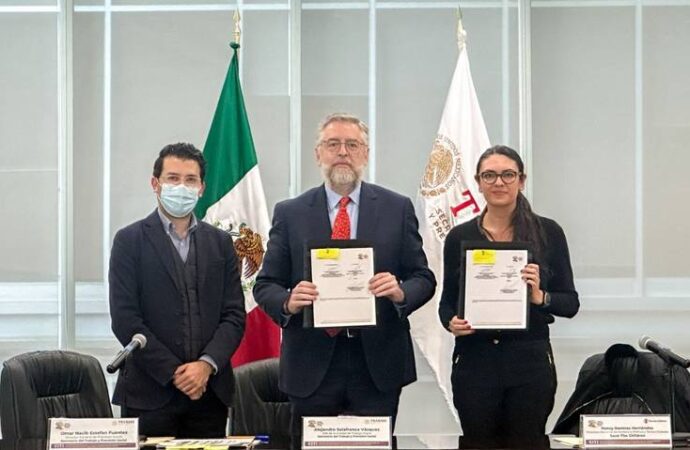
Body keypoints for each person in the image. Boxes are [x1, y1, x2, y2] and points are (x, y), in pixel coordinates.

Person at [254, 113, 436, 440]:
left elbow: (423, 278)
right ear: (318, 154)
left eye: (352, 144)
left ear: (365, 153)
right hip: (310, 362)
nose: (342, 152)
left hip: (377, 362)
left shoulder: (397, 208)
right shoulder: (290, 212)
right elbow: (265, 285)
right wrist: (289, 301)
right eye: (333, 144)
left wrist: (399, 292)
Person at [438, 145, 579, 446]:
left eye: (507, 175)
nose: (498, 182)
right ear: (477, 181)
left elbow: (570, 302)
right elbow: (446, 302)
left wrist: (540, 297)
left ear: (521, 180)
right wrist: (451, 322)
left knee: (527, 442)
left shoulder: (548, 232)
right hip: (475, 360)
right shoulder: (459, 237)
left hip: (529, 362)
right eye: (489, 175)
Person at [109, 143, 246, 437]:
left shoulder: (220, 243)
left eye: (190, 180)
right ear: (155, 184)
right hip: (149, 394)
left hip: (209, 394)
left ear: (201, 188)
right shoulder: (129, 241)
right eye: (173, 178)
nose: (181, 186)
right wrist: (176, 373)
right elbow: (125, 319)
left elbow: (234, 314)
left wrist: (205, 366)